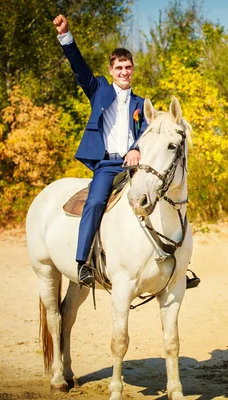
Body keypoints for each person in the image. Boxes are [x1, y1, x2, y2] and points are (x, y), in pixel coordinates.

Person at [53, 15, 148, 287]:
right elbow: (79, 68)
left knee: (161, 195)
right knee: (94, 203)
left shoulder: (142, 103)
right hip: (107, 166)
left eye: (128, 67)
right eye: (119, 67)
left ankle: (175, 264)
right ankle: (83, 262)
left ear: (133, 70)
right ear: (111, 69)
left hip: (135, 166)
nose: (124, 72)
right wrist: (65, 36)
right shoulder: (99, 90)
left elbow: (147, 134)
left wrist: (137, 148)